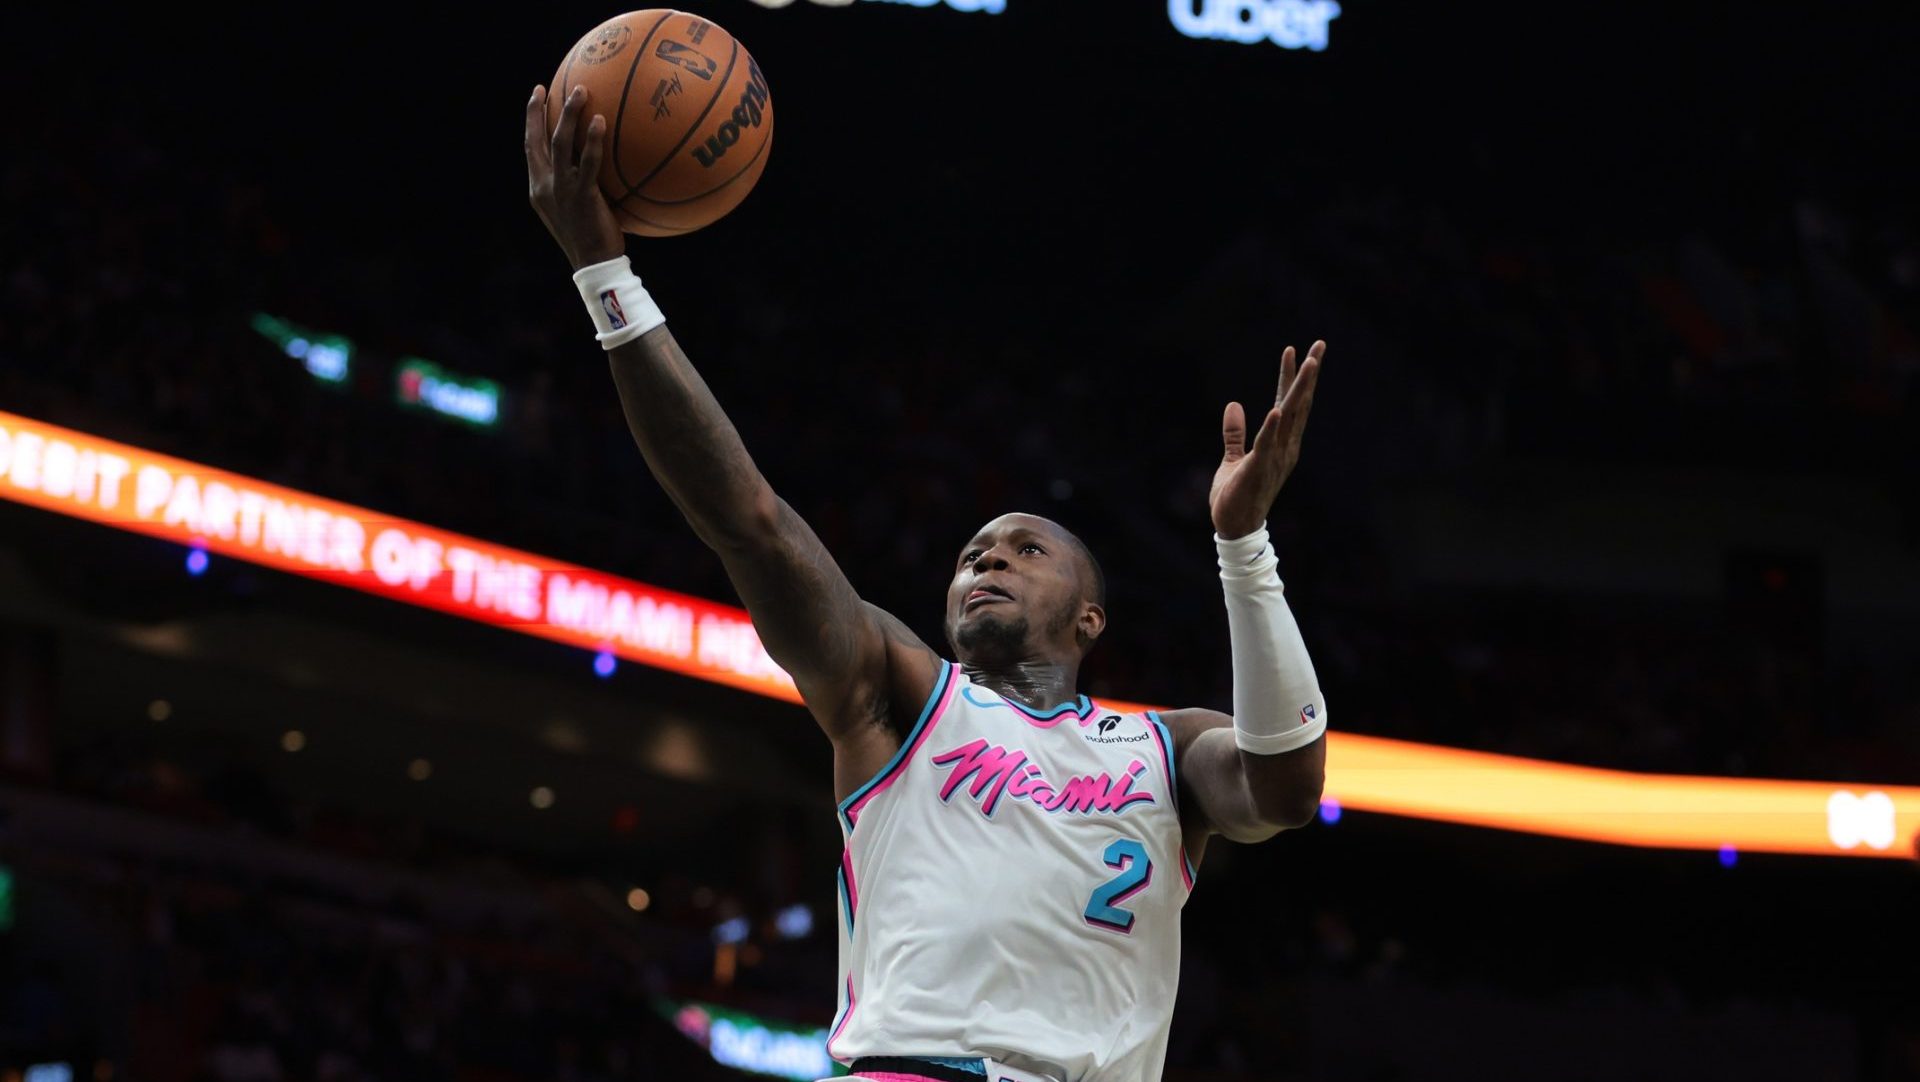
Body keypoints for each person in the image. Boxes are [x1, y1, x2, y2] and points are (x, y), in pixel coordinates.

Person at [526, 84, 1330, 1082]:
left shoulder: (1166, 746)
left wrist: (1244, 542)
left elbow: (1287, 789)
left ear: (1090, 615)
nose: (986, 556)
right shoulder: (899, 692)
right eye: (973, 550)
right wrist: (608, 278)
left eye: (1026, 547)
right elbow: (751, 522)